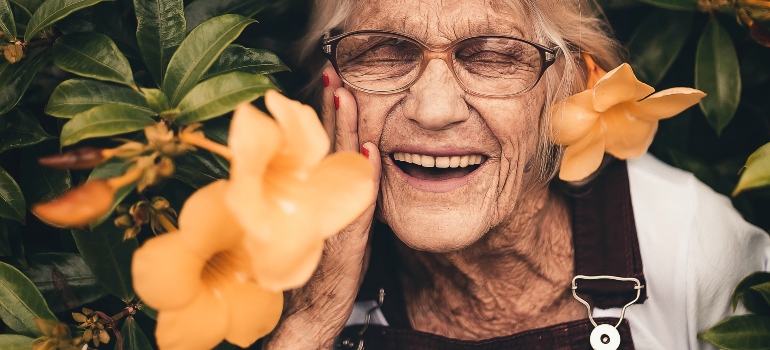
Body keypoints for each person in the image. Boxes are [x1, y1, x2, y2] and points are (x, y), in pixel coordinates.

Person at [262, 0, 770, 349]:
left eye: (491, 55)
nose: (434, 110)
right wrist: (312, 320)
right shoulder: (279, 263)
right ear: (327, 85)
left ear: (568, 84)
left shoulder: (692, 244)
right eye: (384, 52)